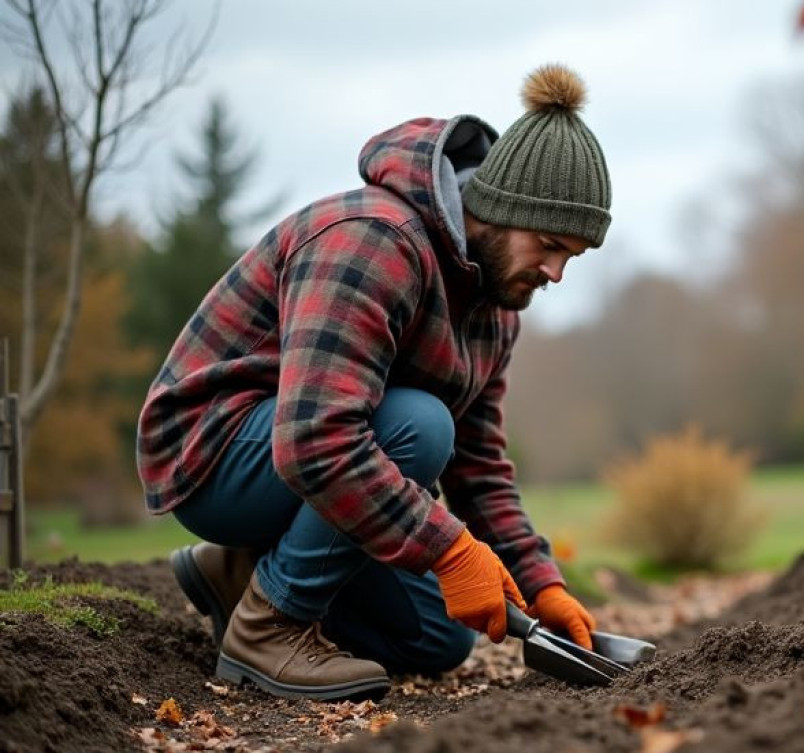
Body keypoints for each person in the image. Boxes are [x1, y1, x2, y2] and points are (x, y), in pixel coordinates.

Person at [135, 64, 607, 701]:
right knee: (418, 424)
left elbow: (478, 467)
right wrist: (448, 549)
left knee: (438, 639)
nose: (554, 273)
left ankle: (241, 570)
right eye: (548, 244)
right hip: (212, 450)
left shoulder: (495, 308)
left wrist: (540, 582)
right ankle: (269, 625)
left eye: (571, 257)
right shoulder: (373, 242)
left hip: (294, 464)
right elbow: (314, 438)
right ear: (496, 211)